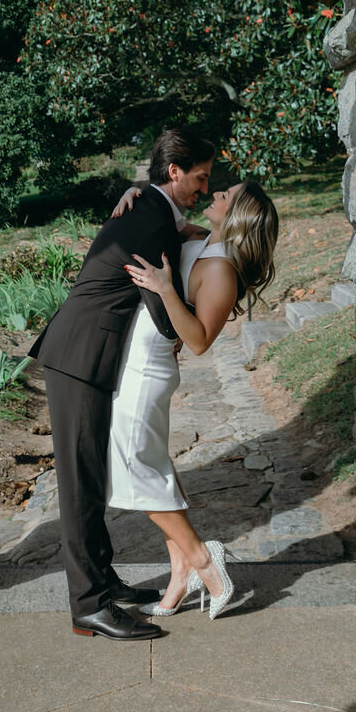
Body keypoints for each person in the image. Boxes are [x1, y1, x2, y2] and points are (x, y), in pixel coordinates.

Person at [28, 128, 215, 641]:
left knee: (91, 477)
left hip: (88, 357)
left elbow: (167, 239)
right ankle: (89, 606)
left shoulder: (149, 211)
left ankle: (102, 582)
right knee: (80, 485)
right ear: (174, 171)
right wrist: (192, 325)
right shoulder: (147, 217)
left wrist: (190, 230)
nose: (204, 188)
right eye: (200, 178)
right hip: (79, 358)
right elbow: (162, 307)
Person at [108, 178, 278, 620]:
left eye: (226, 196)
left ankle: (204, 558)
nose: (216, 195)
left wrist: (165, 289)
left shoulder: (222, 270)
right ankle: (181, 568)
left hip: (148, 369)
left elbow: (200, 341)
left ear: (238, 215)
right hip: (136, 359)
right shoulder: (204, 240)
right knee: (153, 468)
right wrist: (136, 191)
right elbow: (167, 215)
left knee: (135, 468)